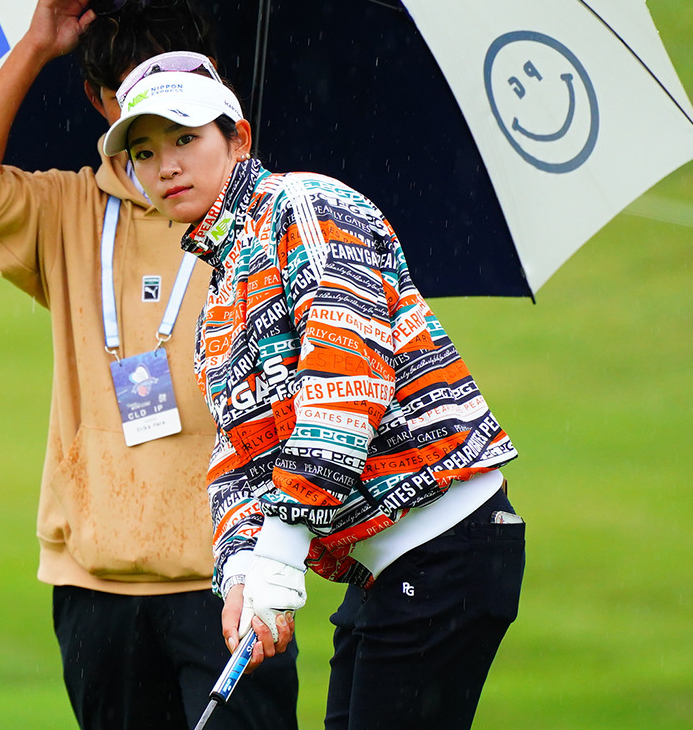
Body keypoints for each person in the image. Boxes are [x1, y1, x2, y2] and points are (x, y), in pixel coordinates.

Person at [102, 53, 527, 729]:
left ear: (237, 138)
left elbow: (346, 385)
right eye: (146, 152)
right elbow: (236, 460)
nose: (167, 167)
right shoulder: (219, 298)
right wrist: (241, 573)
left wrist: (281, 547)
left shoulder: (309, 207)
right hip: (383, 568)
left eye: (186, 139)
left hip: (445, 544)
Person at [0, 0, 298, 730]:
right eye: (139, 97)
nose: (164, 124)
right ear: (103, 105)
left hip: (230, 581)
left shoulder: (273, 218)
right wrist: (36, 47)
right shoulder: (70, 212)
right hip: (94, 585)